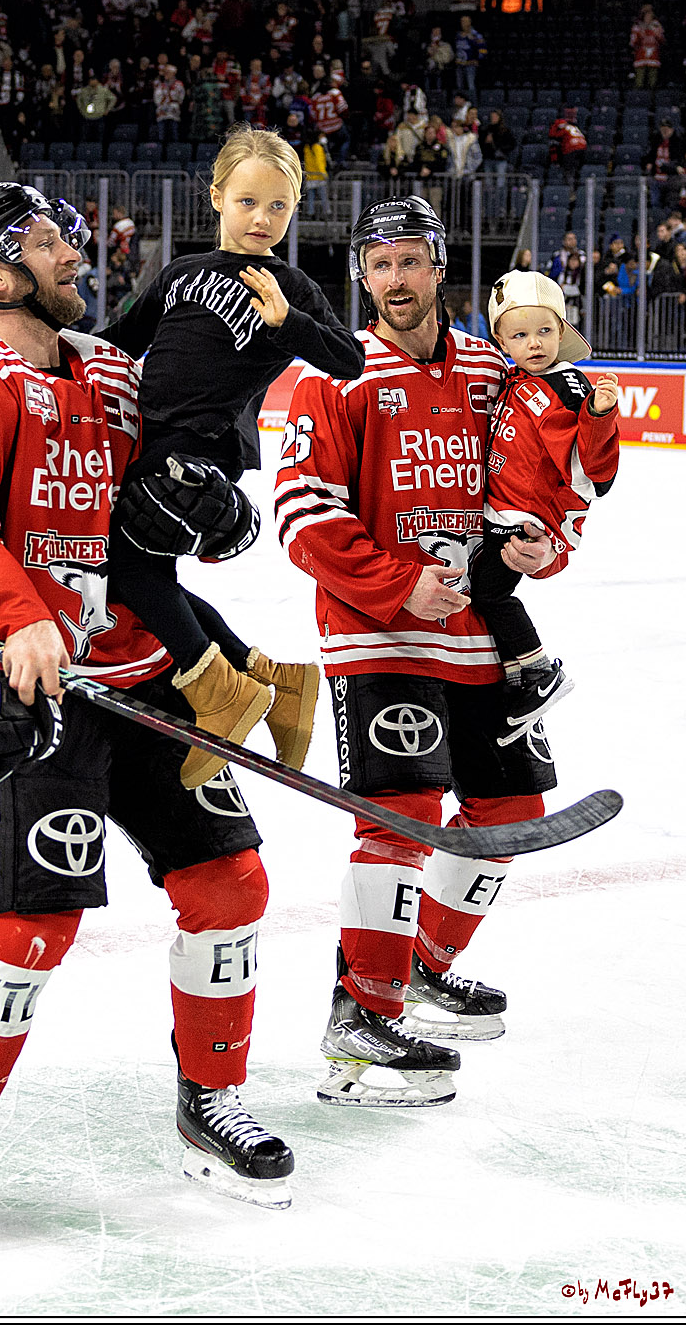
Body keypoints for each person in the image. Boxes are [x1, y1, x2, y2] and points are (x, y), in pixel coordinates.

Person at [0, 181, 295, 1242]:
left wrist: (216, 515)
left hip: (140, 673)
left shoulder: (119, 375)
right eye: (47, 241)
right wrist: (10, 618)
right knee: (33, 923)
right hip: (37, 685)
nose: (78, 251)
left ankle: (210, 1097)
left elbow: (183, 498)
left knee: (231, 884)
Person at [274, 195, 564, 1110]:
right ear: (361, 275)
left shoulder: (490, 367)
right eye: (380, 263)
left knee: (512, 808)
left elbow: (540, 476)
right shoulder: (338, 370)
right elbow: (302, 511)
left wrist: (540, 543)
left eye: (412, 260)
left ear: (441, 266)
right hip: (377, 631)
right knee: (400, 817)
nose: (396, 279)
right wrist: (398, 582)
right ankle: (360, 1022)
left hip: (480, 633)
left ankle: (425, 969)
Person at [101, 125, 364, 790]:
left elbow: (351, 359)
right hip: (144, 443)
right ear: (217, 197)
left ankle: (224, 691)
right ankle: (276, 681)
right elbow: (115, 340)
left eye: (278, 206)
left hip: (198, 453)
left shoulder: (290, 287)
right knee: (138, 576)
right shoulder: (181, 273)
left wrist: (289, 325)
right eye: (248, 202)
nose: (262, 218)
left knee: (129, 570)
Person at [471, 271, 620, 737]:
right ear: (500, 339)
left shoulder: (567, 386)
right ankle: (517, 676)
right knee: (481, 588)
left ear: (562, 329)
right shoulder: (514, 377)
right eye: (519, 334)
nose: (534, 343)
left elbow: (596, 472)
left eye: (544, 331)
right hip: (503, 511)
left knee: (489, 591)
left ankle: (537, 672)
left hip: (526, 520)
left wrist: (598, 414)